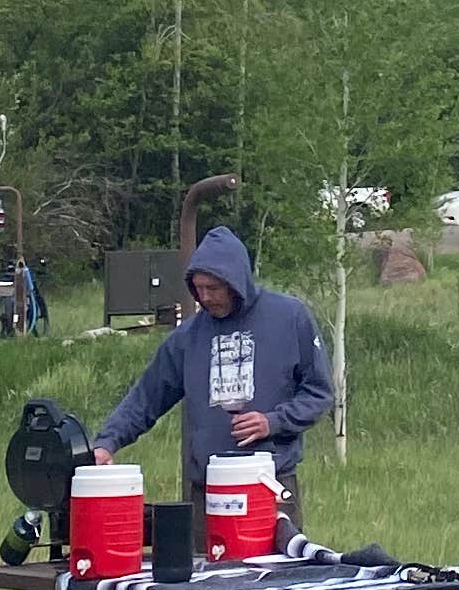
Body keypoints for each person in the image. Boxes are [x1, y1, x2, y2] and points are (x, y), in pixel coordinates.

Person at [98, 226, 331, 527]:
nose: (205, 297)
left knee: (275, 573)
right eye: (199, 289)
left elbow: (319, 393)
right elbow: (145, 399)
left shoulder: (289, 318)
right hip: (206, 493)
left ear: (236, 282)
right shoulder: (187, 338)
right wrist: (107, 443)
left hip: (268, 486)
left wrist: (272, 422)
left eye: (214, 288)